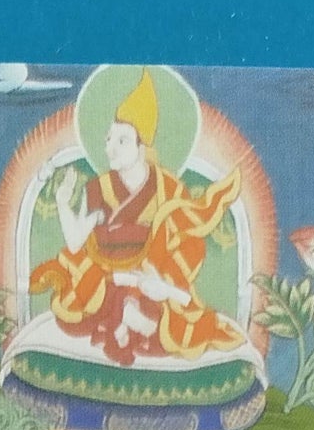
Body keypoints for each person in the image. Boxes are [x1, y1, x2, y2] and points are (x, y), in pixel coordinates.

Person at [22, 72, 246, 368]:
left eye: (122, 140)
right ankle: (122, 320)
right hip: (106, 274)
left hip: (153, 278)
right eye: (108, 140)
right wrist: (63, 203)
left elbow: (185, 244)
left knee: (166, 313)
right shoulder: (97, 188)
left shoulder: (169, 190)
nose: (110, 148)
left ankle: (131, 322)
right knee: (89, 298)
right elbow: (76, 243)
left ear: (143, 148)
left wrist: (162, 283)